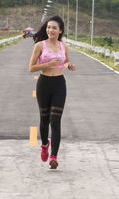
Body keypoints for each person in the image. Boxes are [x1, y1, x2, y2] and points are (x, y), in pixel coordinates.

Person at [28, 15, 76, 169]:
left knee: (55, 121)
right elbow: (31, 68)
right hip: (44, 84)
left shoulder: (64, 46)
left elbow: (66, 61)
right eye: (49, 27)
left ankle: (54, 156)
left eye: (54, 28)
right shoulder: (40, 46)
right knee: (44, 120)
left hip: (59, 84)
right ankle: (44, 145)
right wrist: (48, 63)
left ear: (60, 30)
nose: (50, 30)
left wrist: (69, 65)